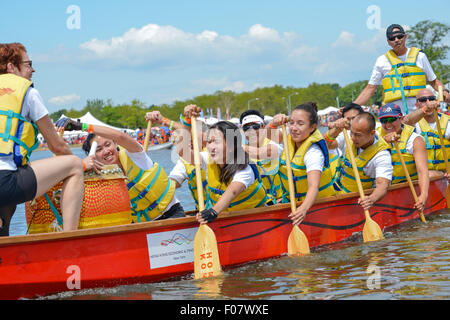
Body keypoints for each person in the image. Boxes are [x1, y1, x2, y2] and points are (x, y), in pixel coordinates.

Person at [0, 43, 100, 236]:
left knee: (4, 217)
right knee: (73, 165)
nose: (33, 69)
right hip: (5, 181)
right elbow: (57, 146)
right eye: (28, 64)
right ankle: (68, 239)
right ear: (11, 67)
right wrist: (83, 163)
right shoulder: (27, 91)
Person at [57, 117, 186, 222]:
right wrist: (82, 165)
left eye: (108, 145)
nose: (106, 151)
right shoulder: (96, 176)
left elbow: (121, 136)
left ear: (115, 144)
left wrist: (81, 126)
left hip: (172, 213)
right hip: (143, 225)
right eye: (99, 149)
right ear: (93, 155)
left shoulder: (135, 155)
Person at [183, 107, 272, 224]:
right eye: (209, 142)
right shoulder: (208, 159)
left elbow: (233, 191)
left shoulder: (244, 168)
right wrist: (187, 122)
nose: (211, 147)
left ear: (232, 145)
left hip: (255, 219)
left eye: (217, 142)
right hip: (225, 218)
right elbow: (184, 151)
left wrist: (213, 211)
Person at [354, 24, 449, 114]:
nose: (396, 40)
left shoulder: (420, 56)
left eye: (399, 36)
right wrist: (352, 107)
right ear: (388, 41)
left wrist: (444, 91)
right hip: (395, 116)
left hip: (420, 112)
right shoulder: (382, 61)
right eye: (392, 38)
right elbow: (370, 88)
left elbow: (434, 81)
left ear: (405, 37)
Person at [270, 102, 336, 225]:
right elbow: (264, 136)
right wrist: (273, 124)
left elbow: (313, 186)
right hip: (292, 201)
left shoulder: (313, 152)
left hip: (317, 205)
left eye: (300, 124)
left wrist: (303, 209)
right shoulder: (288, 136)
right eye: (292, 122)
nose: (294, 128)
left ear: (312, 127)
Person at [146, 108, 209, 211]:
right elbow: (172, 183)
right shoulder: (184, 161)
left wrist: (163, 120)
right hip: (204, 213)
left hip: (225, 212)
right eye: (186, 138)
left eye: (192, 137)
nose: (189, 141)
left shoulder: (216, 153)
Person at [331, 112, 393, 211]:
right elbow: (327, 145)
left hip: (358, 200)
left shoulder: (382, 155)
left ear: (372, 133)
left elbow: (382, 185)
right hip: (337, 192)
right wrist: (336, 130)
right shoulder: (349, 136)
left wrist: (371, 199)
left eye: (358, 135)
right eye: (352, 132)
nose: (353, 137)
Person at [376, 103, 429, 211]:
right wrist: (383, 141)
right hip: (381, 189)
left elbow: (422, 171)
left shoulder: (415, 140)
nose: (388, 124)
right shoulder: (376, 137)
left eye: (392, 119)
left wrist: (423, 195)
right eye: (383, 121)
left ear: (401, 118)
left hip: (406, 186)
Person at [239, 109, 283, 200]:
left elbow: (265, 152)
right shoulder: (239, 153)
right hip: (256, 204)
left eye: (255, 126)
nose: (252, 132)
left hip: (280, 200)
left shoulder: (276, 143)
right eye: (246, 128)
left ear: (263, 127)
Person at [409, 88, 450, 175]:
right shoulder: (413, 124)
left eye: (431, 99)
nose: (428, 102)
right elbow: (406, 121)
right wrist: (425, 108)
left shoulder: (448, 122)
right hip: (425, 175)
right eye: (423, 100)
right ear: (416, 105)